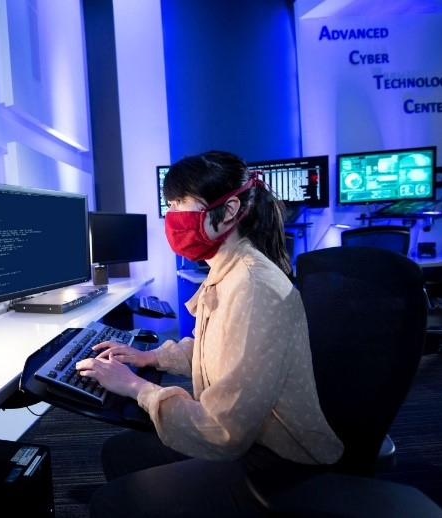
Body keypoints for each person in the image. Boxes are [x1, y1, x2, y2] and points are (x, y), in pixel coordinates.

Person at [76, 150, 344, 517]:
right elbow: (216, 349)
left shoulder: (252, 286)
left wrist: (136, 387)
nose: (173, 218)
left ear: (230, 211)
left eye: (181, 205)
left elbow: (224, 432)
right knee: (119, 451)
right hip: (251, 438)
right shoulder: (230, 270)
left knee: (111, 502)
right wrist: (151, 358)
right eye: (169, 206)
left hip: (276, 458)